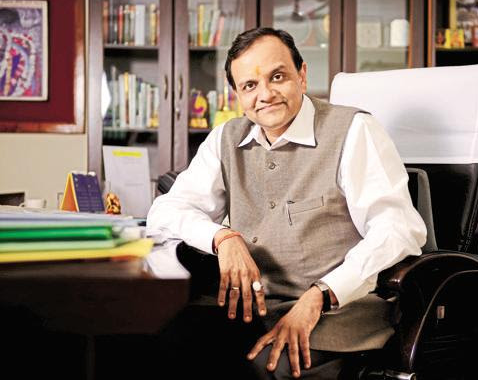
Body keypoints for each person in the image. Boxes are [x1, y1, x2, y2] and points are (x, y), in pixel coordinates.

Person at [146, 27, 426, 379]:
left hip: (335, 314)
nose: (265, 94)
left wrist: (322, 293)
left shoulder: (354, 131)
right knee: (158, 344)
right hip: (251, 309)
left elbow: (398, 229)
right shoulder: (225, 139)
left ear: (302, 75)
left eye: (277, 77)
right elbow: (165, 212)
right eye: (250, 85)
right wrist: (222, 238)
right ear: (238, 95)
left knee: (265, 368)